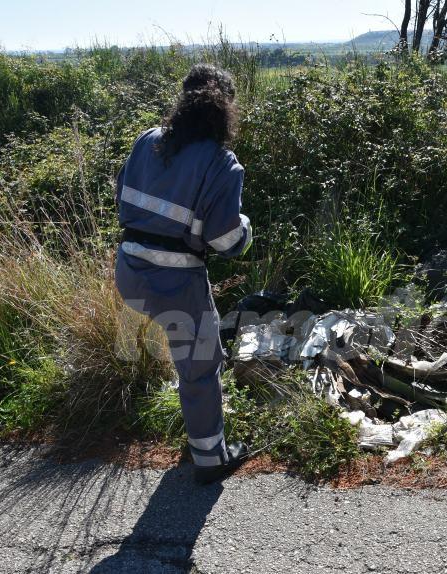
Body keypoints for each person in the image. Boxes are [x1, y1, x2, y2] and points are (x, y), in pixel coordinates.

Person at [114, 64, 252, 484]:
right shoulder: (222, 163)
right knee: (200, 365)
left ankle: (196, 427)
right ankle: (209, 459)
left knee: (190, 352)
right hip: (173, 281)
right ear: (224, 108)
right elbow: (227, 241)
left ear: (183, 100)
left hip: (130, 273)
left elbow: (123, 195)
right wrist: (245, 229)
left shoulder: (147, 142)